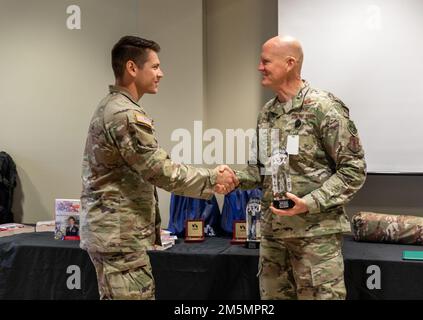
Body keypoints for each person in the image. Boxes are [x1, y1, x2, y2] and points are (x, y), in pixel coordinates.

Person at [80, 35, 238, 300]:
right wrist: (213, 178)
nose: (160, 73)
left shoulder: (115, 107)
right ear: (132, 68)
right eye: (154, 66)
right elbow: (160, 170)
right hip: (119, 239)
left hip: (116, 236)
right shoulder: (125, 115)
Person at [232, 35, 367, 300]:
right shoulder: (267, 113)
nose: (260, 67)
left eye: (266, 61)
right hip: (273, 238)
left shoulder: (323, 108)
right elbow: (259, 171)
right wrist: (229, 178)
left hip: (315, 240)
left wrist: (310, 202)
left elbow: (353, 170)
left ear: (290, 63)